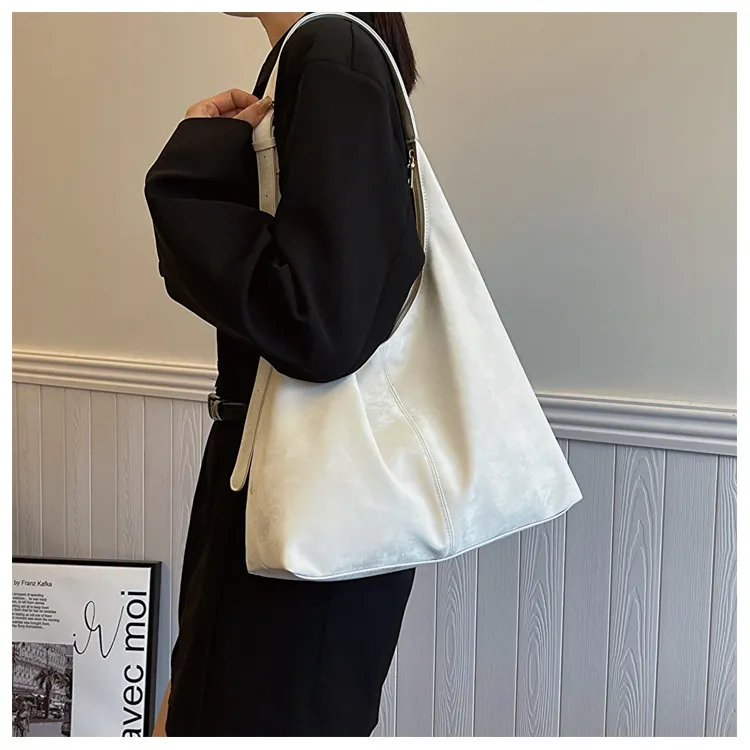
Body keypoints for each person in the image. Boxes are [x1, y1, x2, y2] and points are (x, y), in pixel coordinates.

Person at [144, 12, 424, 737]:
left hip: (302, 497)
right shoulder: (312, 57)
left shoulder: (333, 50)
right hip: (282, 480)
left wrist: (194, 172)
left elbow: (317, 324)